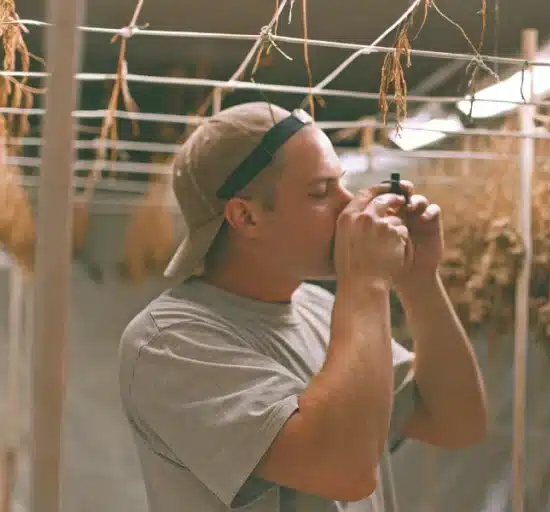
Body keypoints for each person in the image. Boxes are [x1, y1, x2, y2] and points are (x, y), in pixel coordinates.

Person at [117, 101, 488, 511]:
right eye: (320, 191)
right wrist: (366, 282)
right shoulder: (168, 342)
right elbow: (343, 471)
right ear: (247, 217)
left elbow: (456, 421)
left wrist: (418, 279)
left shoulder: (319, 307)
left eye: (341, 185)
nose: (348, 205)